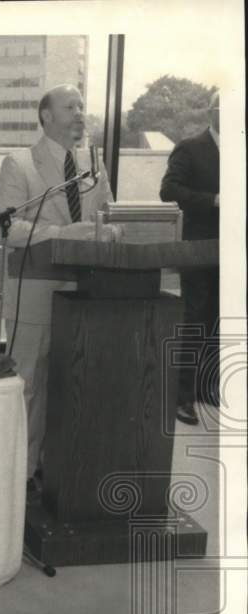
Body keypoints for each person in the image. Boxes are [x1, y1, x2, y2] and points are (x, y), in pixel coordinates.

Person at [0, 84, 116, 487]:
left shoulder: (95, 170)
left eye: (82, 105)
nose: (80, 113)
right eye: (70, 106)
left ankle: (60, 474)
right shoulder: (20, 163)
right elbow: (5, 227)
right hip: (34, 296)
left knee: (72, 389)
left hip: (86, 298)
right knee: (29, 390)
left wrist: (108, 233)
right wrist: (63, 234)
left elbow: (109, 220)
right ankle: (20, 477)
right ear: (46, 115)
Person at [159, 92, 220, 426]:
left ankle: (208, 388)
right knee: (195, 322)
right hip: (199, 251)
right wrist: (213, 200)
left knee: (221, 321)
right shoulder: (190, 147)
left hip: (234, 253)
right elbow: (169, 190)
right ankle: (182, 398)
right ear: (212, 112)